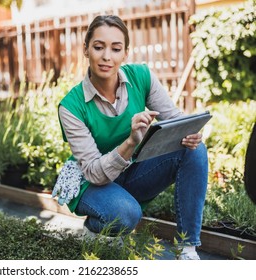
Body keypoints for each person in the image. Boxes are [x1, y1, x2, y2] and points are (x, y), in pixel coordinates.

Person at [52, 15, 208, 260]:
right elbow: (93, 171)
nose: (107, 57)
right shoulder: (71, 107)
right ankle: (95, 225)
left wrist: (190, 131)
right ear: (86, 49)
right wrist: (131, 141)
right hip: (91, 181)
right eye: (98, 47)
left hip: (132, 171)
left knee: (194, 149)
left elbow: (174, 119)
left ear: (125, 53)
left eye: (116, 49)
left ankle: (187, 248)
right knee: (126, 215)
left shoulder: (140, 77)